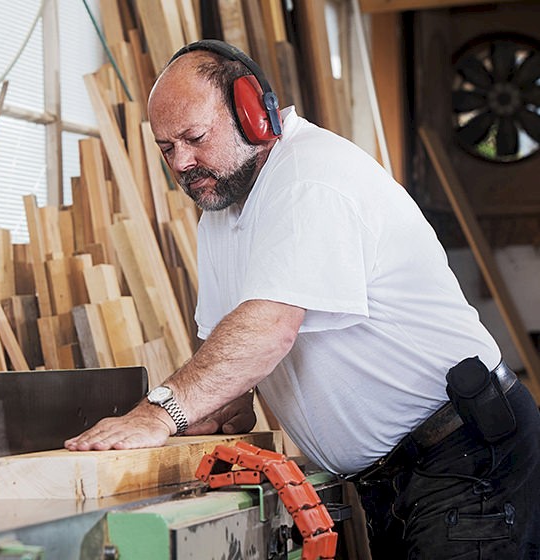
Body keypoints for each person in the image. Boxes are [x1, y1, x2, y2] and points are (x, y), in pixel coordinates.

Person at [64, 39, 540, 558]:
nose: (182, 162)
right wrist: (194, 418)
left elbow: (268, 328)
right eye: (166, 148)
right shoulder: (221, 215)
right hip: (397, 480)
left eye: (194, 138)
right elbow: (230, 373)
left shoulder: (309, 180)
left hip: (468, 459)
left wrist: (157, 415)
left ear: (253, 114)